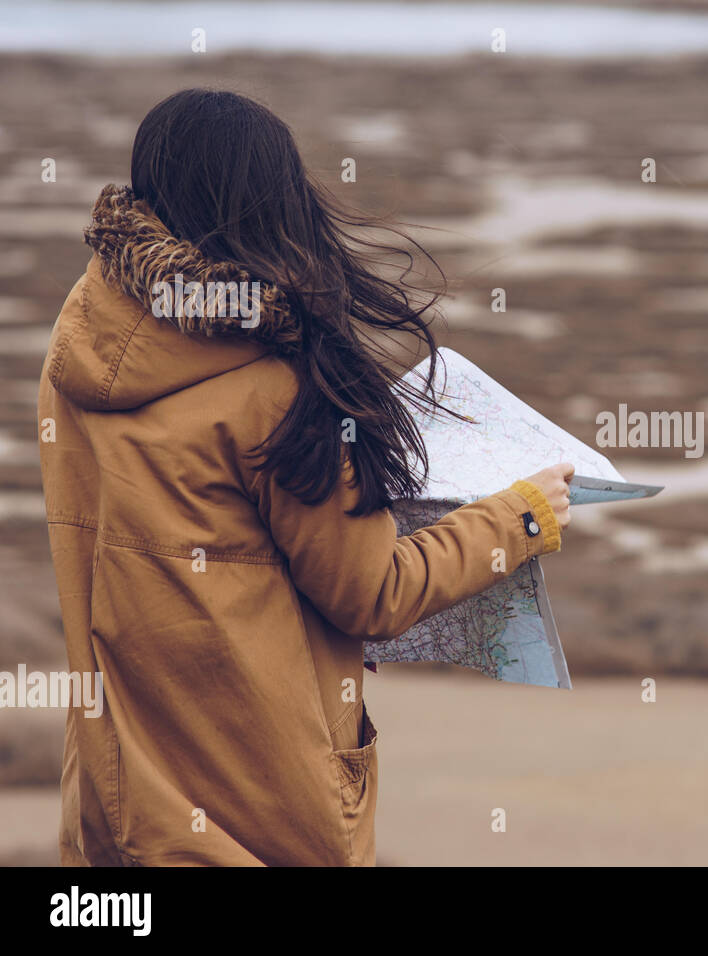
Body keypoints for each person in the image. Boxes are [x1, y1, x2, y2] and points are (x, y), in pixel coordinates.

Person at [37, 88, 573, 866]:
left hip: (113, 812)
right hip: (258, 814)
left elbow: (192, 556)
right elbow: (373, 593)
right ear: (275, 204)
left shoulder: (81, 337)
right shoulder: (283, 387)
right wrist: (519, 518)